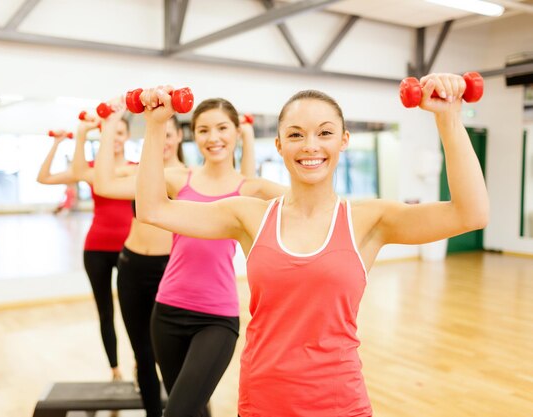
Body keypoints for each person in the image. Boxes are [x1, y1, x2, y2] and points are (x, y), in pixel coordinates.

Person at [133, 75, 489, 417]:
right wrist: (155, 125)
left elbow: (470, 214)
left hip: (339, 402)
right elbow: (153, 209)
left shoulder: (369, 220)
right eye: (296, 134)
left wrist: (449, 118)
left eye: (325, 133)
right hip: (263, 399)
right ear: (279, 145)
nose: (310, 146)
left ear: (344, 140)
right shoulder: (249, 216)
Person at [94, 96, 285, 417]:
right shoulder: (178, 178)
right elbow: (105, 183)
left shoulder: (252, 189)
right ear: (193, 135)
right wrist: (111, 122)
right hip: (167, 312)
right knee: (193, 410)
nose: (213, 138)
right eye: (203, 129)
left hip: (216, 319)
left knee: (178, 412)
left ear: (236, 132)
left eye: (222, 128)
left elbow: (315, 205)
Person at [37, 120, 133, 381]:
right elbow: (43, 177)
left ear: (127, 136)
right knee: (105, 312)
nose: (114, 137)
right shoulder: (91, 170)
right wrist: (57, 144)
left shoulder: (137, 168)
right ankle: (115, 369)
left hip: (131, 249)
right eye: (109, 132)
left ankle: (140, 362)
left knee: (135, 313)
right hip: (96, 248)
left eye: (119, 132)